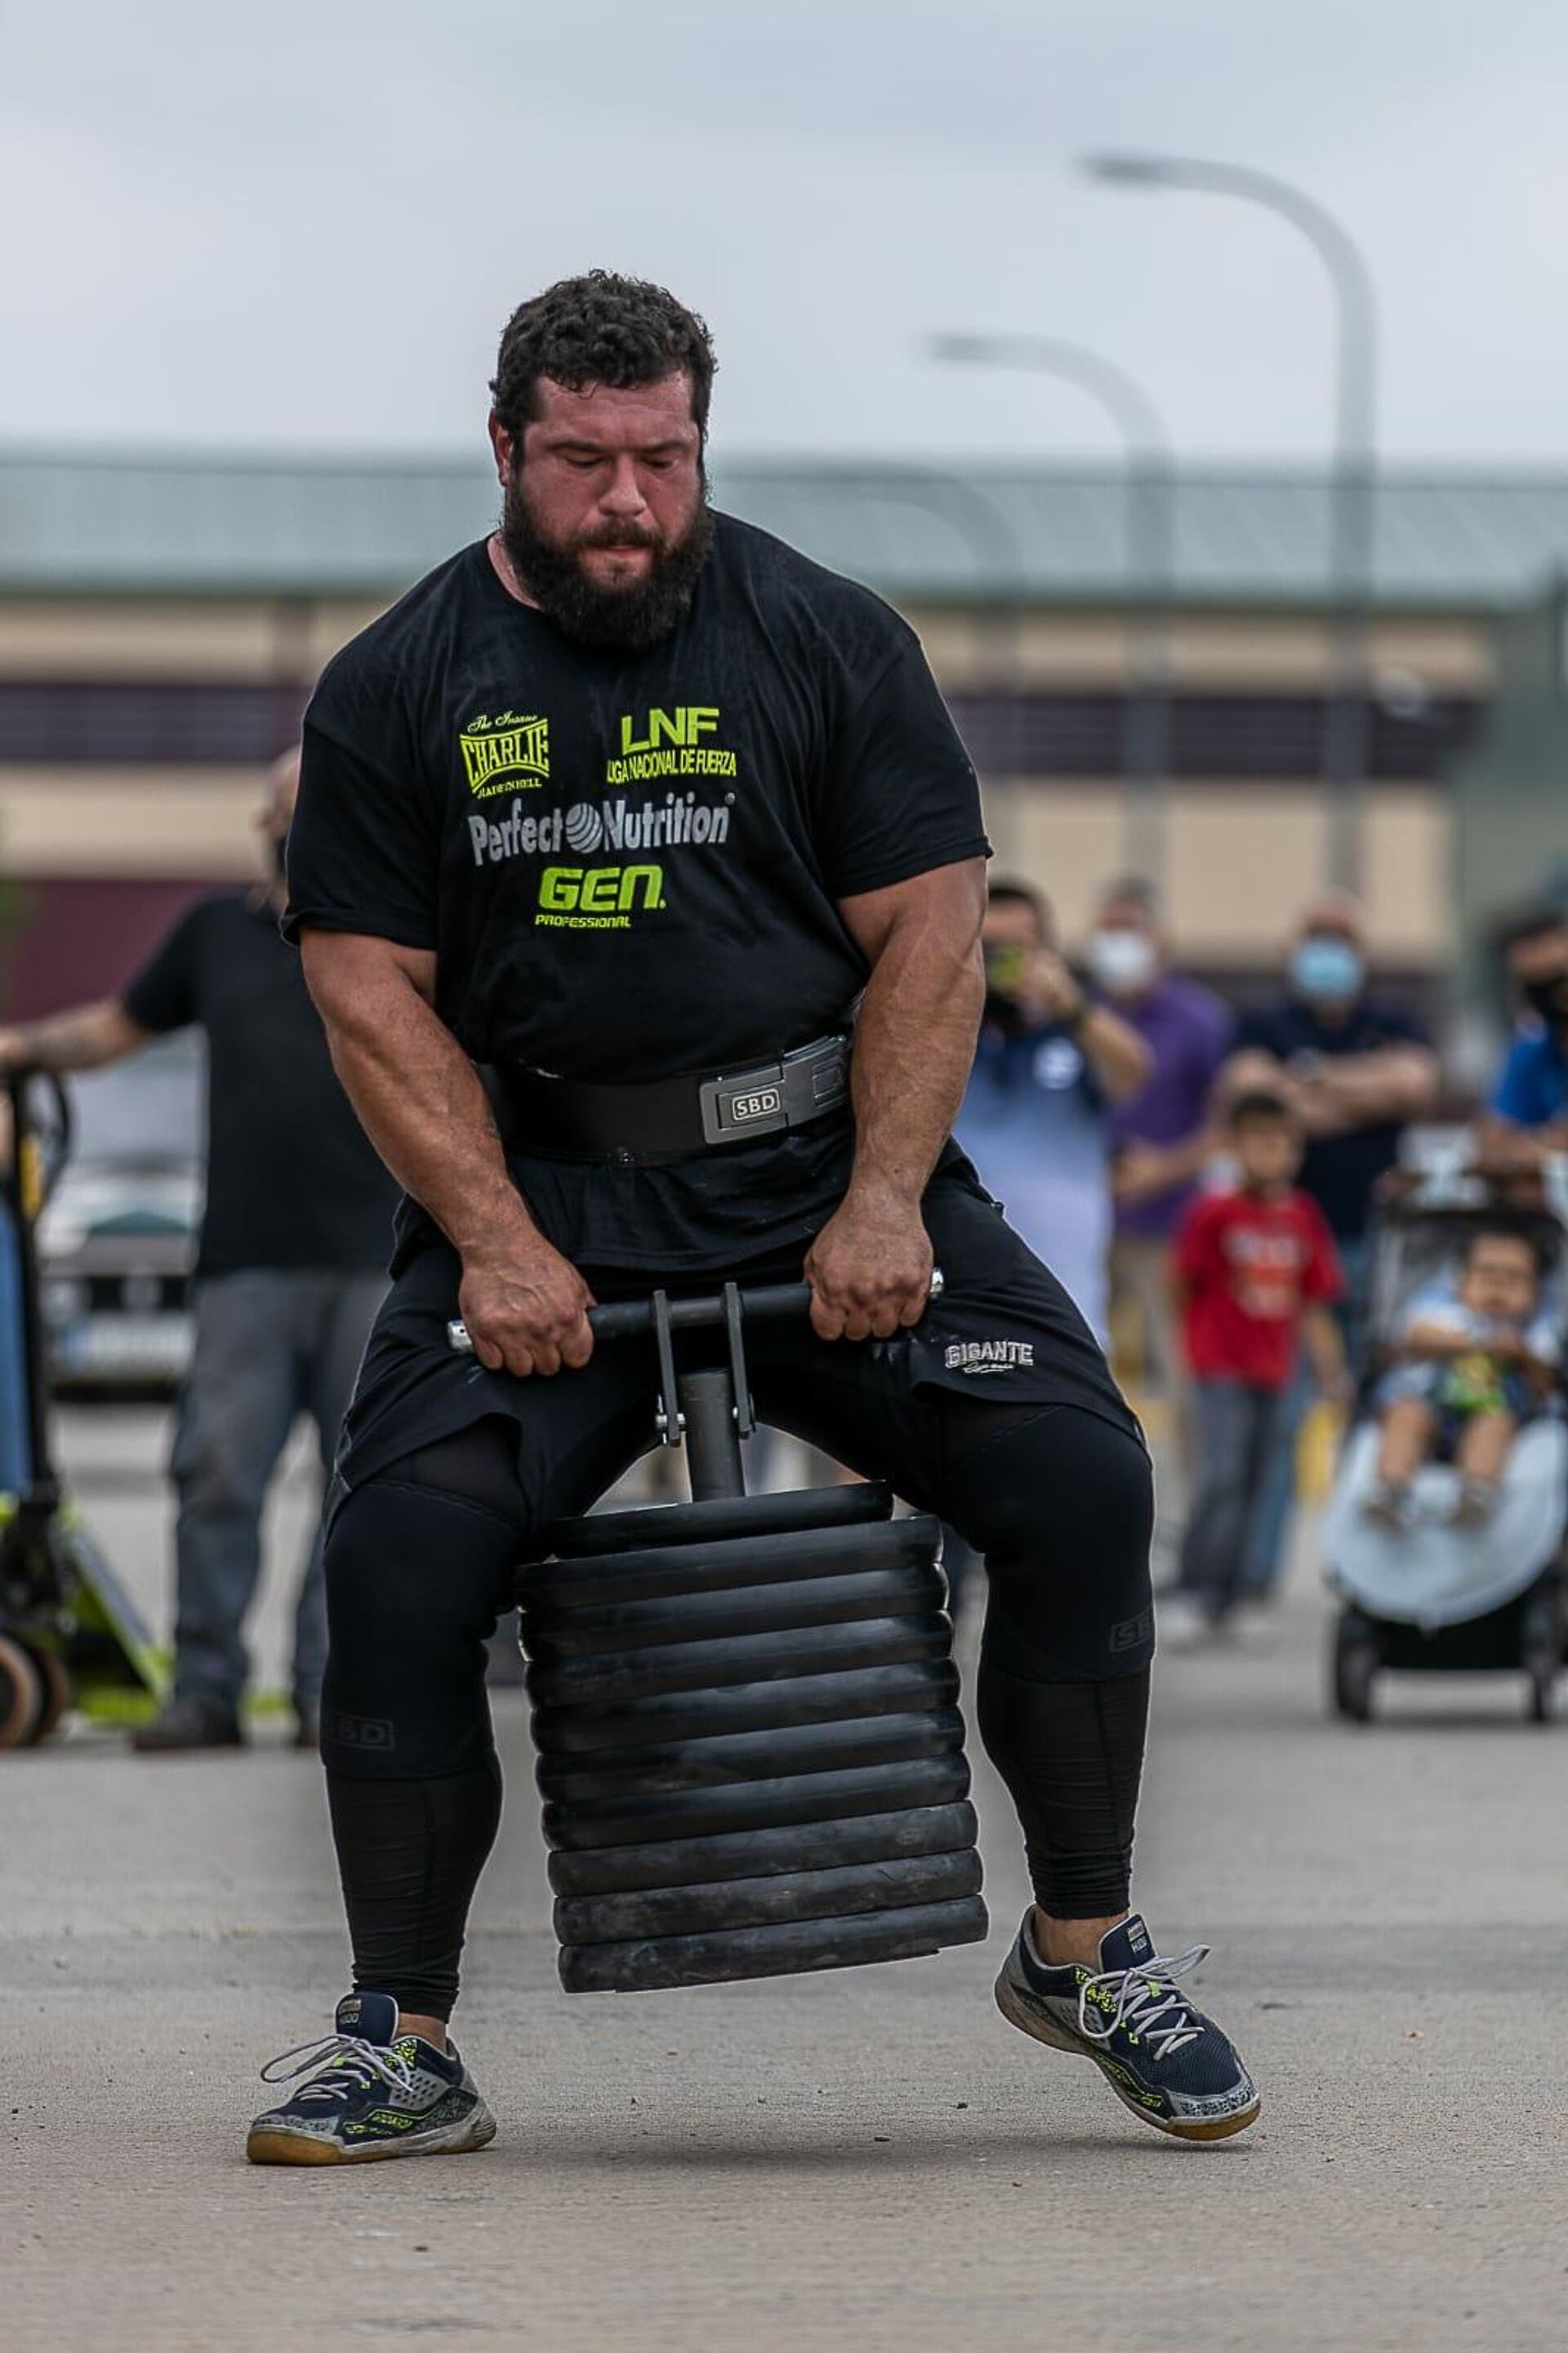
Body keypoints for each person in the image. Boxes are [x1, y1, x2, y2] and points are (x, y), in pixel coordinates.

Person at [245, 271, 1259, 2167]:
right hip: (542, 1204)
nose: (625, 499)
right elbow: (368, 986)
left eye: (661, 458)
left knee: (1078, 1481)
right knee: (394, 1562)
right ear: (506, 449)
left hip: (821, 1193)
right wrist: (494, 1235)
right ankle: (402, 2031)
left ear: (700, 444)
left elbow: (933, 934)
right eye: (583, 462)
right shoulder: (400, 681)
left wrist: (887, 1192)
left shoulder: (822, 639)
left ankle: (1085, 1944)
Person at [0, 754, 398, 1750]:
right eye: (284, 811)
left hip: (377, 1259)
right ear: (260, 823)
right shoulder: (215, 935)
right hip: (243, 1266)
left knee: (360, 1488)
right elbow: (113, 1028)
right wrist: (19, 1051)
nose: (296, 829)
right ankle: (207, 1689)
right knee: (215, 1475)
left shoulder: (399, 931)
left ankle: (327, 1692)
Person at [1224, 893, 1438, 1600]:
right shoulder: (1262, 1021)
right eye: (1316, 937)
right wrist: (1362, 1094)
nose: (1328, 952)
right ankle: (1255, 1575)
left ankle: (1363, 1567)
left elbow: (1413, 1083)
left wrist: (1308, 1083)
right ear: (1292, 950)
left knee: (1376, 1402)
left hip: (1377, 1245)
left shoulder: (1393, 1020)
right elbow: (1247, 1090)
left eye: (1341, 938)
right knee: (1285, 1414)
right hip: (1281, 1248)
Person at [1165, 1090, 1347, 1642]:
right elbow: (1181, 1281)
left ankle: (1235, 1597)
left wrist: (1332, 1370)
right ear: (1236, 1146)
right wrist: (1190, 1348)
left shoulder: (1302, 1215)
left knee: (1260, 1481)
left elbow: (1313, 1301)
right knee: (1220, 1476)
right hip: (1221, 1366)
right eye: (1261, 1142)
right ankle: (1197, 1588)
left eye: (1284, 1144)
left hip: (1277, 1369)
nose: (1274, 1155)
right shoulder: (1215, 1211)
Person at [956, 878, 1150, 1342]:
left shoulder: (1077, 1033)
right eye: (989, 948)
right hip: (964, 1302)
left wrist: (1070, 1006)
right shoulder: (946, 1037)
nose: (1002, 962)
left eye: (1016, 949)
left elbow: (1135, 1074)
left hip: (1068, 1305)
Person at [1086, 877, 1232, 1455]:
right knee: (1084, 1360)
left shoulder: (1199, 1020)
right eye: (1109, 930)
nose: (1118, 943)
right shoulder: (1081, 1013)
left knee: (1180, 1369)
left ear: (1160, 939)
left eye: (1130, 930)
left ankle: (1190, 1499)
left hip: (1168, 1226)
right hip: (1090, 1221)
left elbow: (1223, 1125)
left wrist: (1164, 1167)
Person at [1366, 1229, 1559, 1529]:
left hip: (1494, 1409)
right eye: (1487, 1273)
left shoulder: (1538, 1322)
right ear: (1461, 1279)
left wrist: (1522, 1354)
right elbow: (1417, 1335)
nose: (1498, 1285)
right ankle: (1391, 1490)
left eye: (1513, 1277)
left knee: (1493, 1425)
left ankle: (1476, 1493)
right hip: (1430, 1402)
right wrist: (1480, 1342)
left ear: (1535, 1289)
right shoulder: (1442, 1303)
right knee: (1405, 1415)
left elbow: (1546, 1378)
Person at [1478, 907, 1568, 1162]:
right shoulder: (1531, 1053)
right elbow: (1492, 1142)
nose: (1555, 996)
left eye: (1557, 978)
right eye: (1536, 985)